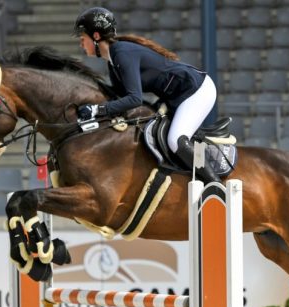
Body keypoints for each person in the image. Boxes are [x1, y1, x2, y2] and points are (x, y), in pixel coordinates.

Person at [73, 7, 220, 182]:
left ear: (96, 36)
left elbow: (134, 99)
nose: (81, 44)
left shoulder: (121, 53)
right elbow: (119, 95)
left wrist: (97, 110)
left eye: (83, 39)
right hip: (176, 96)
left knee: (176, 140)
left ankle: (215, 185)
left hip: (197, 91)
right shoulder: (113, 59)